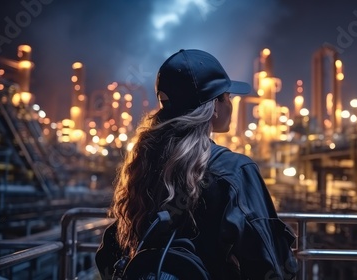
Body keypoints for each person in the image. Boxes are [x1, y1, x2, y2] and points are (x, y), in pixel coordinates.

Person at [96, 49, 298, 279]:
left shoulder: (142, 164)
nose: (230, 104)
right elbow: (270, 263)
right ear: (214, 105)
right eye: (227, 97)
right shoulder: (234, 170)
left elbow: (110, 255)